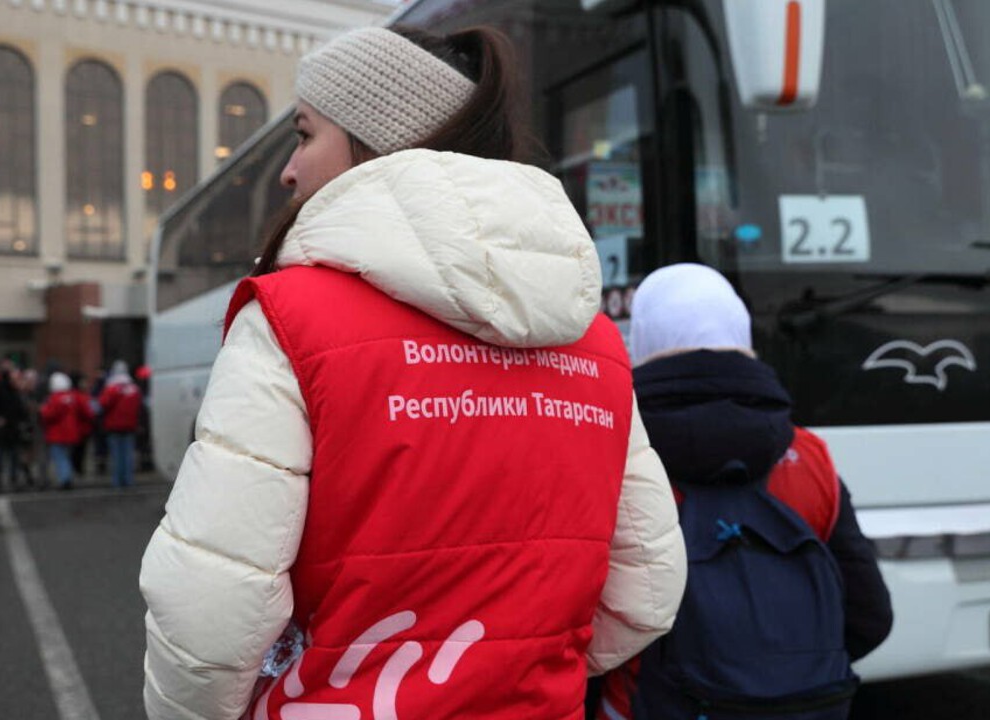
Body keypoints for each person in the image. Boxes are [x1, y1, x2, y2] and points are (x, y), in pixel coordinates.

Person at [139, 25, 686, 720]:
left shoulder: (289, 317)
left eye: (305, 135)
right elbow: (647, 591)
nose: (288, 170)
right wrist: (512, 663)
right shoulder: (596, 340)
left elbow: (206, 611)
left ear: (376, 143)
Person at [597, 264, 893, 720]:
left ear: (640, 344)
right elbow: (870, 616)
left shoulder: (619, 458)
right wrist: (778, 684)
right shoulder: (811, 459)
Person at [39, 371, 93, 490]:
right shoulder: (74, 396)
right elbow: (86, 412)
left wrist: (42, 410)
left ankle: (65, 479)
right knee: (67, 457)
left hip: (57, 434)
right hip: (72, 433)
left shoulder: (54, 399)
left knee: (60, 458)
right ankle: (68, 477)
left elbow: (48, 415)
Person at [99, 360, 142, 488]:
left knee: (116, 456)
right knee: (128, 455)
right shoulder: (134, 389)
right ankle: (128, 480)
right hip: (130, 426)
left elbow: (103, 403)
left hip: (114, 426)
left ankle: (117, 481)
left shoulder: (112, 388)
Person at [0, 361, 27, 493]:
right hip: (3, 431)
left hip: (10, 430)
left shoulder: (13, 391)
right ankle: (3, 481)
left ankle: (11, 480)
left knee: (10, 458)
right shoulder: (1, 391)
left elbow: (20, 411)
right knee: (2, 458)